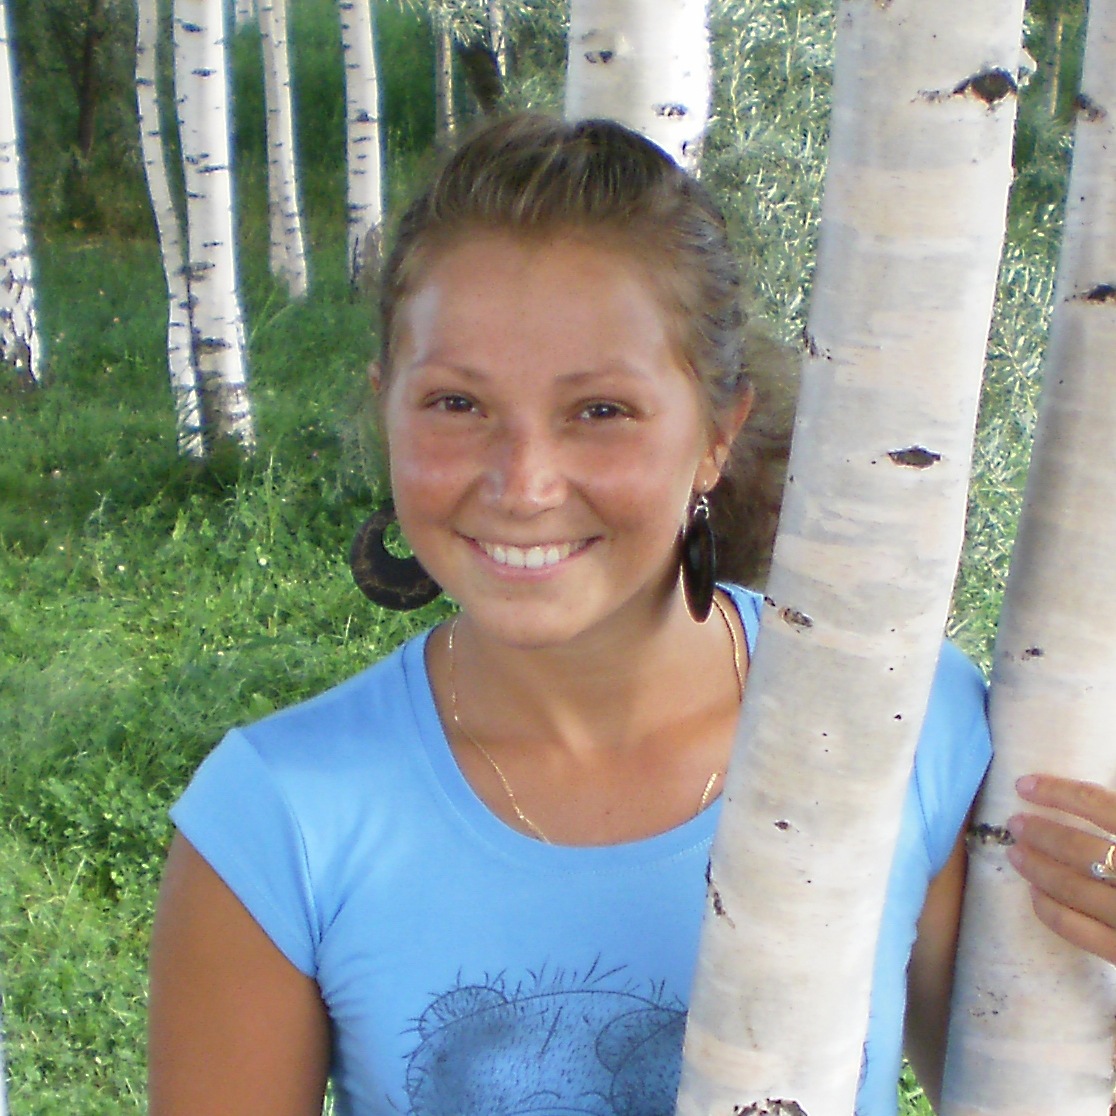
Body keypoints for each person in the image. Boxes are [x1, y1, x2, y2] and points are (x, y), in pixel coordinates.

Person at [147, 113, 1116, 1116]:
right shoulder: (276, 819)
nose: (523, 483)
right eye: (457, 404)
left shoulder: (896, 725)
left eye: (600, 411)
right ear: (386, 406)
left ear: (718, 434)